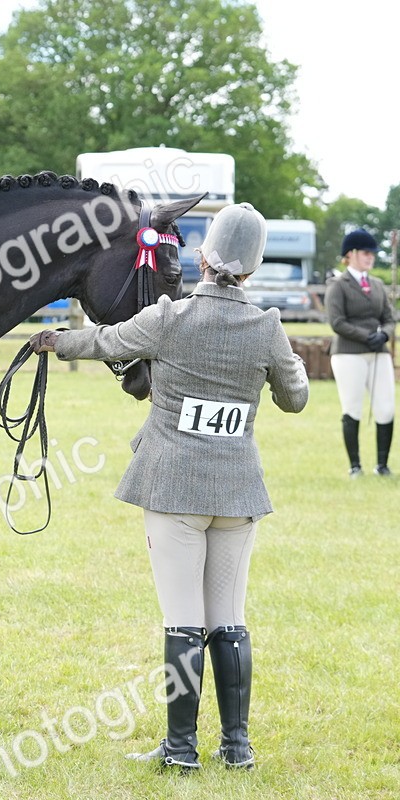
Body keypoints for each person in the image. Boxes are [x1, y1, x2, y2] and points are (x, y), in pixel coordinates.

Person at [28, 203, 309, 771]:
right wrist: (285, 365)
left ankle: (181, 749)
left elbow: (105, 342)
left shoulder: (168, 317)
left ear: (203, 259)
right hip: (237, 488)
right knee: (228, 616)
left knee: (182, 617)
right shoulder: (268, 327)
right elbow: (295, 397)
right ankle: (236, 748)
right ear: (253, 268)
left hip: (173, 483)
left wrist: (52, 342)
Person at [325, 229, 395, 477]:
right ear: (351, 254)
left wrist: (384, 335)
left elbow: (389, 317)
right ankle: (355, 466)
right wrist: (367, 337)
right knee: (352, 407)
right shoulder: (337, 285)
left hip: (379, 352)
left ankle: (382, 465)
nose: (371, 257)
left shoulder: (377, 284)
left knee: (386, 407)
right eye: (366, 253)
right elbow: (337, 322)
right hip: (348, 353)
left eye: (372, 253)